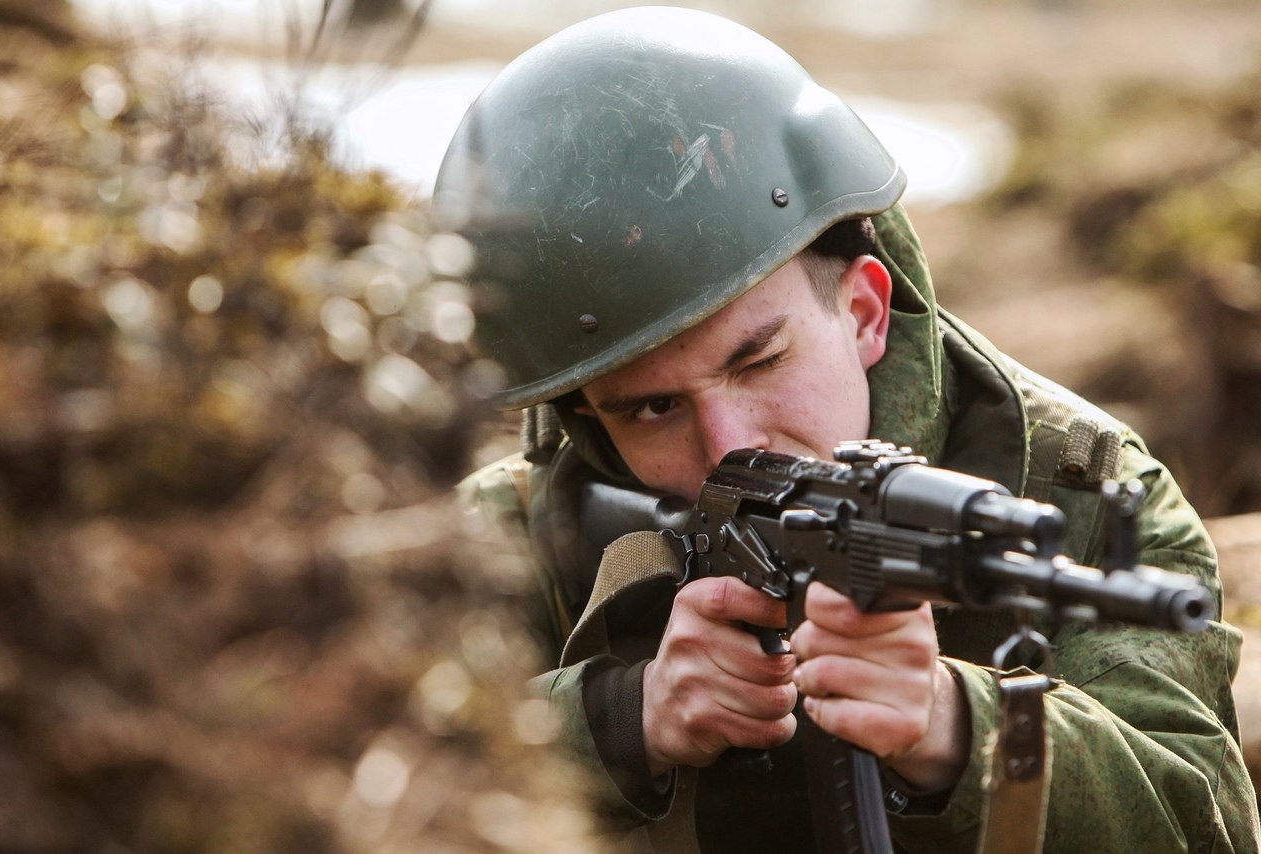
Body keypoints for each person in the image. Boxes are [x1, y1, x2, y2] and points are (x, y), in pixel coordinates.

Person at [433, 7, 1260, 851]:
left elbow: (1208, 824)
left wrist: (958, 725)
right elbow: (352, 773)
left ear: (864, 311)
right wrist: (620, 718)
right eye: (653, 408)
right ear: (584, 417)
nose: (729, 445)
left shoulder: (1079, 488)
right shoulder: (515, 524)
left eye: (758, 363)